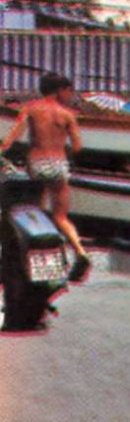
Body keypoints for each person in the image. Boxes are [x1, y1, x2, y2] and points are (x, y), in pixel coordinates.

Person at [2, 73, 87, 280]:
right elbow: (77, 146)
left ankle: (36, 257)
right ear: (59, 90)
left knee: (36, 213)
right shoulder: (67, 114)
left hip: (37, 163)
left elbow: (12, 138)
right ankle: (80, 252)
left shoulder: (31, 109)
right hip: (59, 164)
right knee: (60, 216)